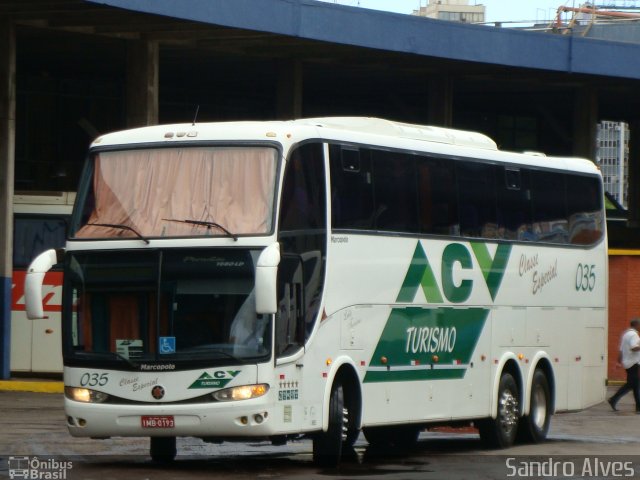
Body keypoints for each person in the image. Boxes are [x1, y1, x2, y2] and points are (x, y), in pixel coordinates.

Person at [608, 318, 640, 412]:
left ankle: (638, 407)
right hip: (634, 363)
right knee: (632, 384)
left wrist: (619, 362)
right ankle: (613, 399)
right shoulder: (634, 335)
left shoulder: (625, 334)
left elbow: (621, 350)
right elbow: (634, 347)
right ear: (636, 325)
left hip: (627, 363)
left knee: (635, 385)